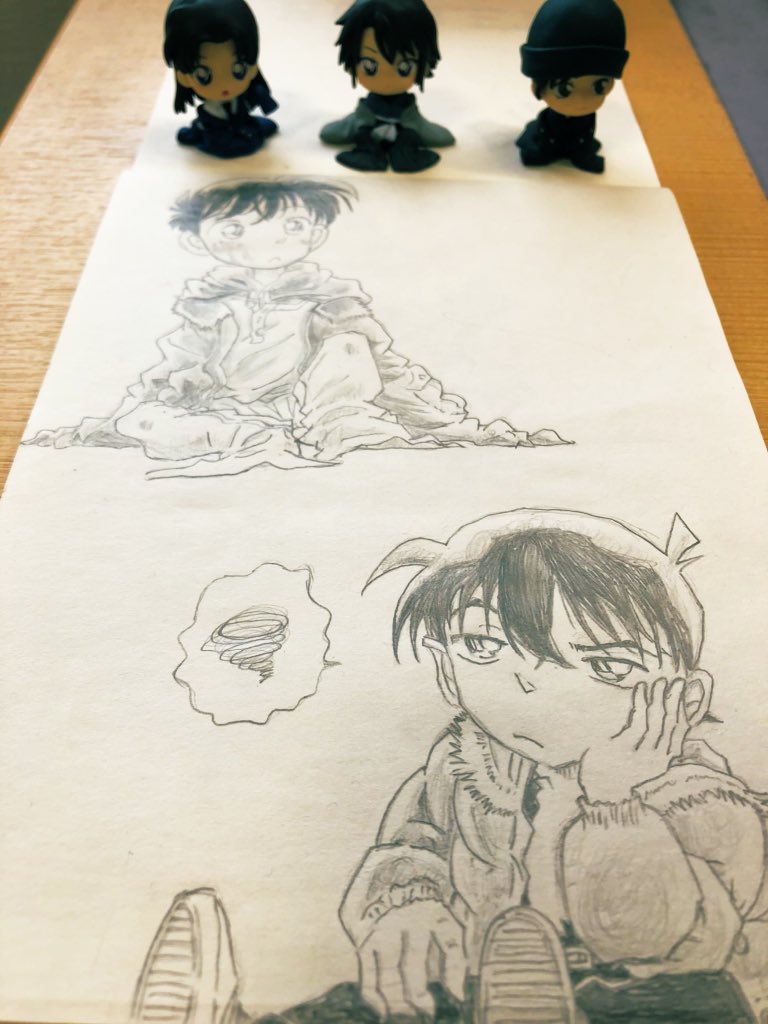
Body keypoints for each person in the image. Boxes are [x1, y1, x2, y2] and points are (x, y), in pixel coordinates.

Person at [133, 509, 768, 1022]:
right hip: (483, 991)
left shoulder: (701, 797)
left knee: (655, 1000)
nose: (529, 686)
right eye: (484, 647)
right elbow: (413, 846)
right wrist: (407, 906)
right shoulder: (465, 767)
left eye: (607, 664)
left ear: (685, 698)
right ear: (446, 667)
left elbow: (658, 942)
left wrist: (614, 805)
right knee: (364, 1007)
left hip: (670, 1001)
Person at [26, 179, 565, 478]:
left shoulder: (330, 299)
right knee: (145, 418)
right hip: (236, 418)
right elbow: (172, 377)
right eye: (235, 229)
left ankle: (345, 435)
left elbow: (388, 372)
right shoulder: (207, 306)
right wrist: (104, 425)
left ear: (316, 233)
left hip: (317, 413)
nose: (267, 241)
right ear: (196, 240)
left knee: (349, 344)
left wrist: (460, 427)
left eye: (292, 225)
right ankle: (255, 444)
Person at [320, 0, 454, 172]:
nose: (386, 78)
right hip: (367, 136)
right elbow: (334, 133)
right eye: (369, 66)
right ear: (350, 63)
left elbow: (432, 133)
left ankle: (405, 154)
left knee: (407, 142)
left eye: (404, 67)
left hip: (406, 139)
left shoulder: (410, 118)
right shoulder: (363, 117)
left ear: (425, 65)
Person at [516, 0, 629, 174]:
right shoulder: (547, 120)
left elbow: (586, 135)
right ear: (536, 87)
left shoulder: (588, 121)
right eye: (564, 89)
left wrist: (584, 155)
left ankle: (579, 155)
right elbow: (545, 132)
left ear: (610, 86)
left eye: (598, 86)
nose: (582, 100)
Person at [163, 0, 278, 158]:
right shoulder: (211, 112)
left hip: (241, 121)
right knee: (222, 142)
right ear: (183, 76)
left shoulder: (242, 99)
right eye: (203, 76)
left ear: (253, 67)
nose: (225, 84)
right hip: (216, 131)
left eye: (238, 70)